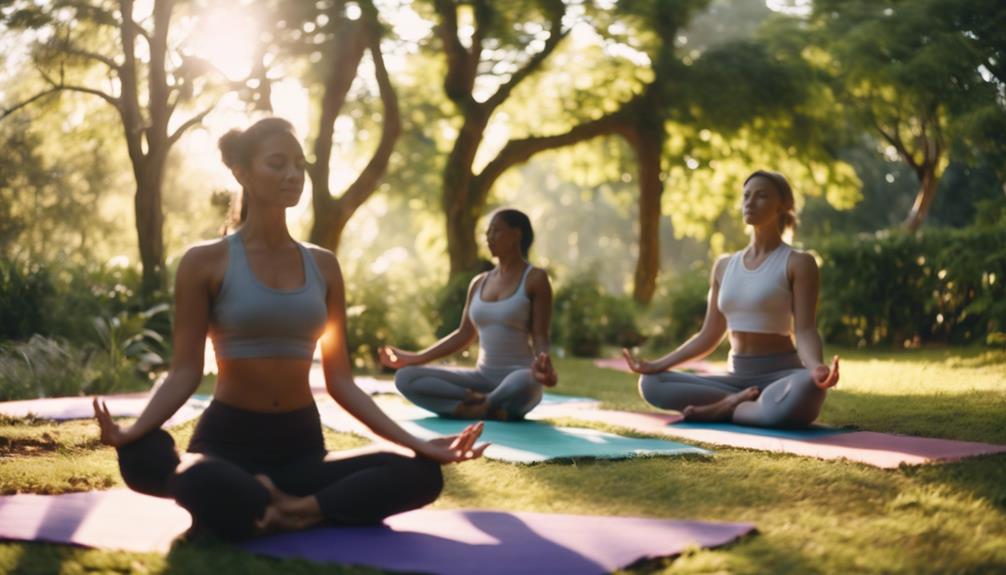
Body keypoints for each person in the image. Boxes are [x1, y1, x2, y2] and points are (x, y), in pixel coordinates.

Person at [93, 117, 487, 542]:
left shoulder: (323, 265)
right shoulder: (204, 262)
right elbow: (184, 372)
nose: (293, 175)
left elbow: (341, 383)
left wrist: (419, 443)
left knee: (421, 474)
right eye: (277, 164)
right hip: (228, 443)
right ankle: (290, 505)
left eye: (300, 164)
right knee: (174, 468)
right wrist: (133, 430)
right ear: (241, 172)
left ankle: (288, 509)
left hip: (301, 447)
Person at [622, 170, 839, 427]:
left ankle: (724, 408)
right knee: (652, 383)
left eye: (761, 196)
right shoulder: (724, 265)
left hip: (780, 375)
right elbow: (709, 335)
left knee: (807, 387)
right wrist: (657, 365)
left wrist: (815, 367)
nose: (750, 202)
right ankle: (740, 405)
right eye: (746, 195)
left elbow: (805, 329)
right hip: (734, 377)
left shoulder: (799, 263)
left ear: (783, 205)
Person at [379, 209, 558, 420]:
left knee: (526, 380)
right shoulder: (479, 282)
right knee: (405, 377)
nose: (488, 237)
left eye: (496, 231)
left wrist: (542, 362)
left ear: (516, 234)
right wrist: (415, 358)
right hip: (480, 378)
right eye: (487, 232)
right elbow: (464, 335)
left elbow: (540, 335)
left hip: (518, 380)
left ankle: (479, 405)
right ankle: (482, 404)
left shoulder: (536, 278)